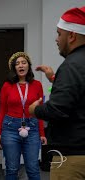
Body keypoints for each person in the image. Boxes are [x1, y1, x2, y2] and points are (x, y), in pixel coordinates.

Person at [29, 6, 85, 180]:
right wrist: (54, 78)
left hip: (72, 157)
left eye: (59, 34)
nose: (56, 39)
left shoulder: (71, 65)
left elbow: (57, 110)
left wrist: (35, 110)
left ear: (72, 36)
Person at [0, 52, 47, 180]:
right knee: (12, 169)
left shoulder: (37, 85)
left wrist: (42, 133)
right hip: (10, 128)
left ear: (28, 66)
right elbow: (2, 110)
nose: (21, 65)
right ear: (14, 68)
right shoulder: (7, 86)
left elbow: (39, 111)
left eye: (23, 63)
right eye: (17, 64)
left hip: (33, 127)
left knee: (33, 168)